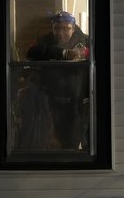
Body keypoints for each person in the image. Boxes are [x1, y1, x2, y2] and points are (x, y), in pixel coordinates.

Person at [23, 11, 90, 150]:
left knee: (75, 140)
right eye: (57, 28)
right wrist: (62, 53)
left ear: (73, 27)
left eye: (65, 28)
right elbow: (31, 51)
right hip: (50, 99)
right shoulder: (45, 40)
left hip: (77, 101)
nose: (60, 33)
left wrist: (83, 54)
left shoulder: (85, 40)